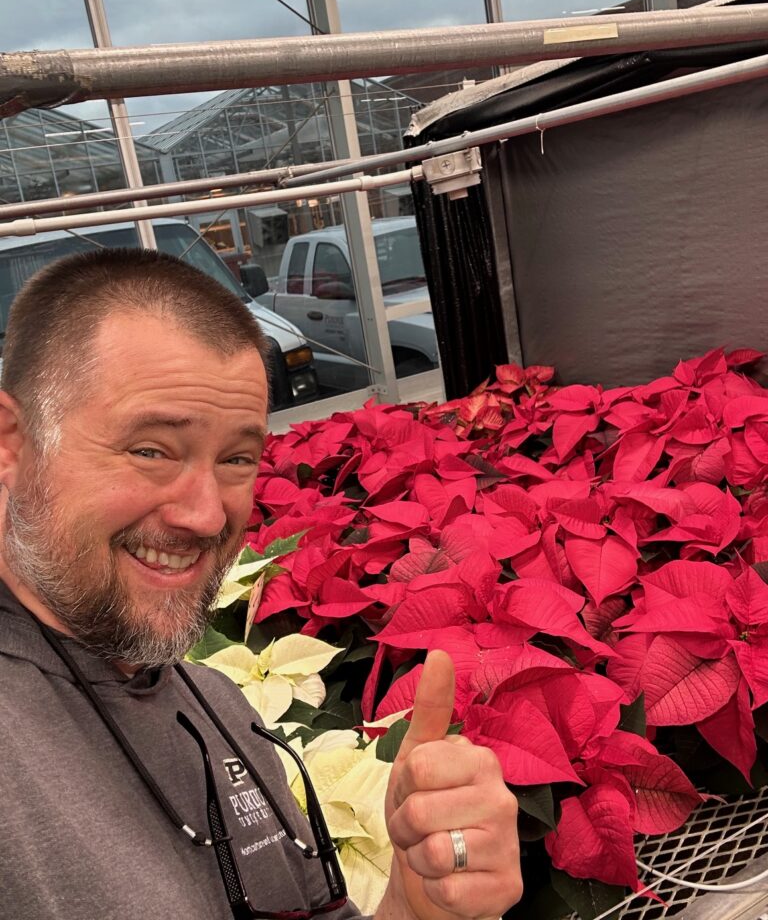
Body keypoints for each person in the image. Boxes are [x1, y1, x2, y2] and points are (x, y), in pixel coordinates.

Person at [0, 247, 522, 920]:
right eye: (151, 450)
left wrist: (416, 909)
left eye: (237, 458)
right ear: (12, 444)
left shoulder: (217, 706)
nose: (207, 514)